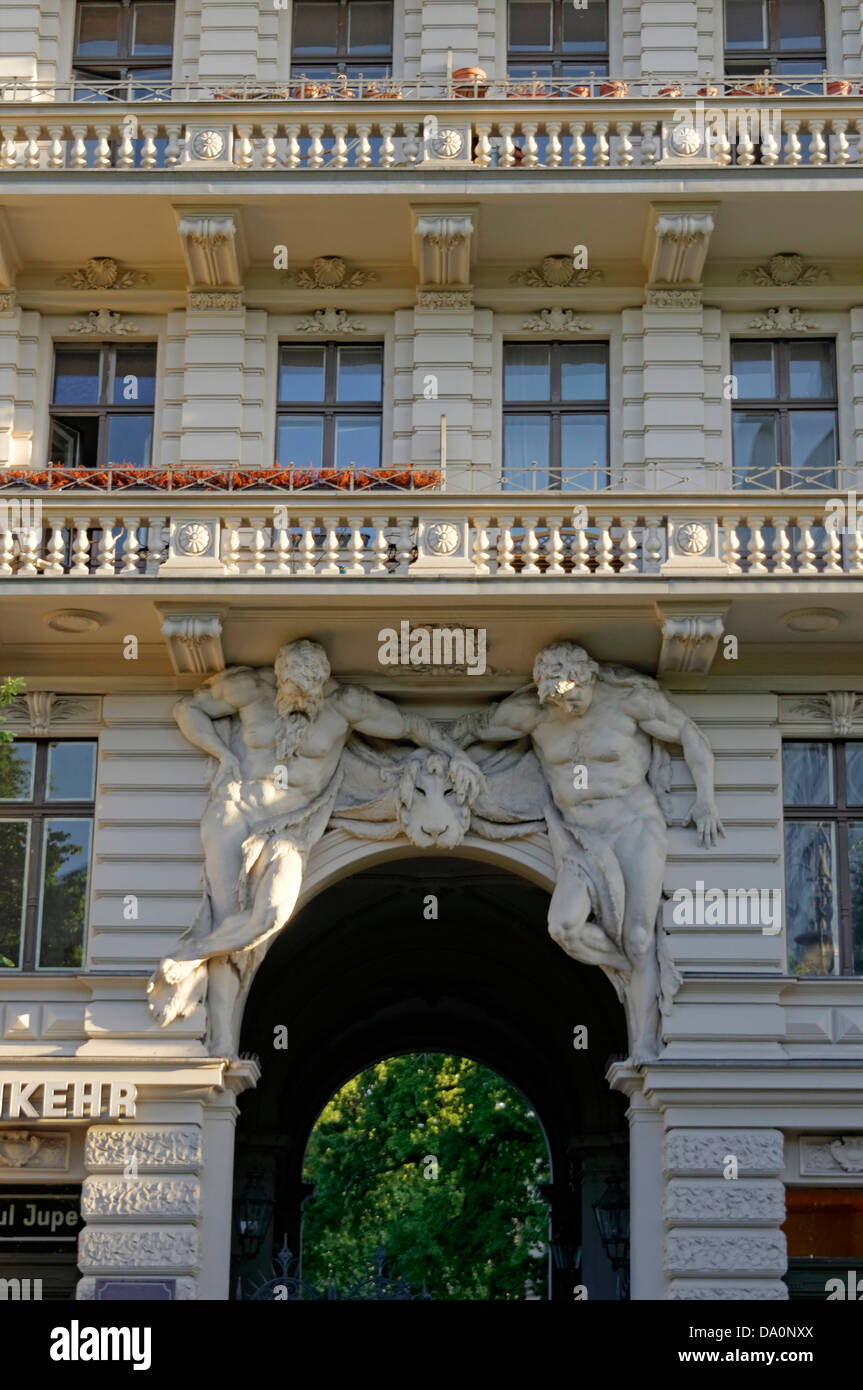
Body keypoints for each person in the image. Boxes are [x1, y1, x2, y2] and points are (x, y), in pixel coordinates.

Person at [148, 639, 482, 1057]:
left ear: (323, 684)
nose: (299, 699)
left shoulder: (345, 706)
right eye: (291, 689)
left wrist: (459, 757)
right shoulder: (250, 688)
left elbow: (412, 726)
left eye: (309, 692)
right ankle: (221, 1048)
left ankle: (190, 954)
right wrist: (223, 757)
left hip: (290, 826)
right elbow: (188, 709)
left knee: (270, 915)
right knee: (227, 917)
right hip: (235, 816)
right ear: (279, 677)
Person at [452, 642, 724, 1058]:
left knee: (638, 934)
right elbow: (474, 726)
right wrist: (451, 760)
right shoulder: (535, 713)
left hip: (634, 828)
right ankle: (633, 965)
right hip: (580, 837)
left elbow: (690, 733)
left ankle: (646, 1043)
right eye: (559, 700)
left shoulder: (628, 701)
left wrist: (705, 799)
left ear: (589, 678)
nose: (569, 707)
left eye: (574, 696)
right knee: (564, 927)